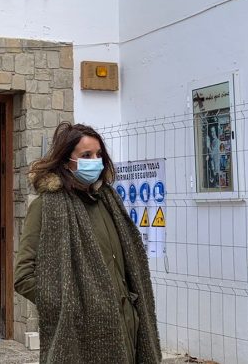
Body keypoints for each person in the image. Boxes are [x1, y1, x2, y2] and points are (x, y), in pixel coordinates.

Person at [14, 122, 161, 363]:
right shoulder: (46, 207)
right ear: (66, 161)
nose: (95, 161)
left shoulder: (109, 201)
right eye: (86, 155)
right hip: (80, 336)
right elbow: (23, 276)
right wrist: (69, 306)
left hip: (126, 327)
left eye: (99, 154)